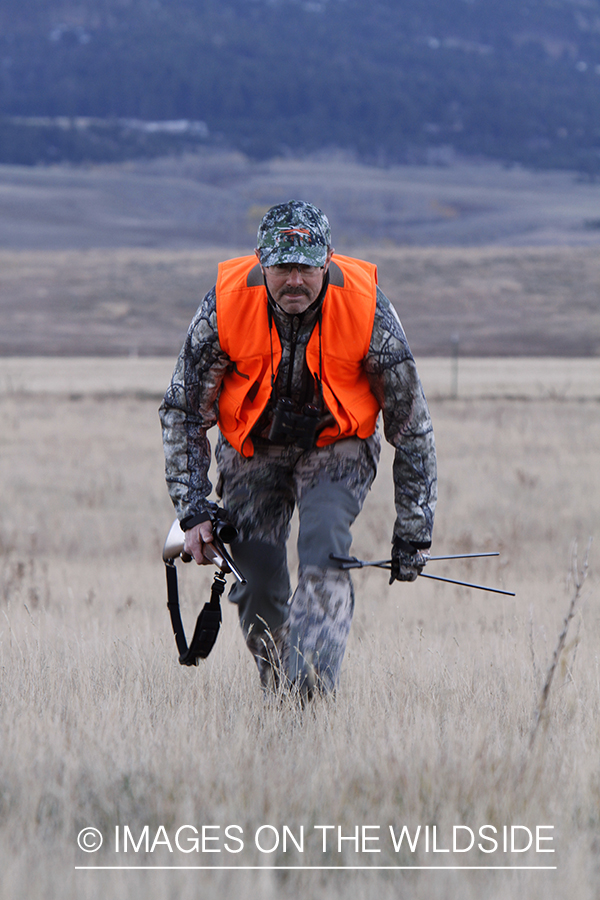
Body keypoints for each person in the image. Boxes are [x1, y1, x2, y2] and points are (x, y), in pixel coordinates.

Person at [159, 200, 437, 698]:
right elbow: (183, 411)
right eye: (283, 266)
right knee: (256, 575)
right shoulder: (224, 305)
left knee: (323, 549)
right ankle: (282, 692)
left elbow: (410, 423)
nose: (294, 280)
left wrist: (413, 532)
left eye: (306, 267)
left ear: (328, 260)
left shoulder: (367, 308)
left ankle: (309, 695)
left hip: (339, 446)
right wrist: (195, 510)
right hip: (253, 450)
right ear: (260, 261)